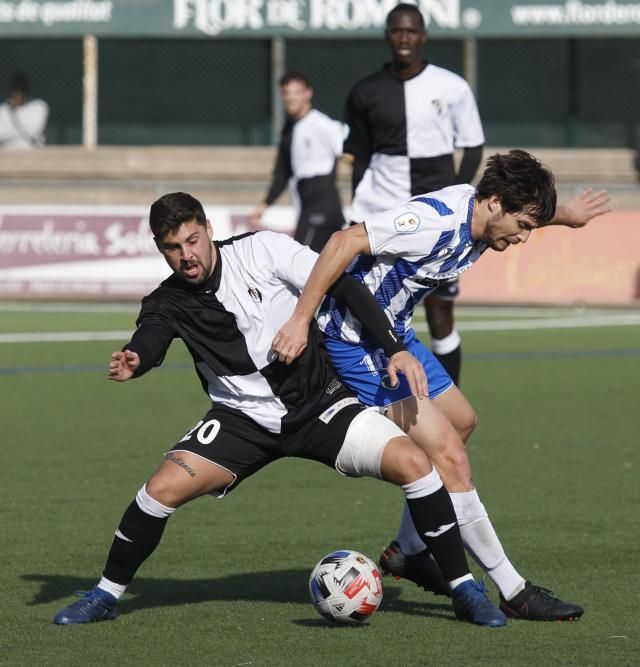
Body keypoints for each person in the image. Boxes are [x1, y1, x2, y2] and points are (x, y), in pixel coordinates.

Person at [51, 192, 508, 627]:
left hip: (322, 406)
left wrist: (394, 348)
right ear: (160, 249)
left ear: (209, 230)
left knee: (416, 463)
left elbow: (343, 283)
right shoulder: (166, 301)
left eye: (192, 240)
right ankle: (106, 595)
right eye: (173, 248)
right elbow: (150, 337)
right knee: (158, 491)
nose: (186, 255)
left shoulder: (262, 249)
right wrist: (137, 357)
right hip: (241, 422)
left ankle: (465, 589)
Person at [272, 150, 610, 621]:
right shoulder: (432, 221)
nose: (525, 237)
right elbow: (342, 242)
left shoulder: (488, 220)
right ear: (493, 203)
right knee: (450, 453)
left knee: (462, 422)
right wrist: (301, 320)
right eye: (524, 225)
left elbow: (518, 215)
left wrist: (564, 216)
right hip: (355, 342)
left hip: (397, 335)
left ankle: (408, 550)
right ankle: (511, 589)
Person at [343, 3, 485, 388]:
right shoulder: (365, 91)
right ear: (388, 35)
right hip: (382, 212)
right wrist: (356, 205)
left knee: (441, 315)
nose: (403, 38)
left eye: (411, 31)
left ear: (422, 36)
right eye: (396, 31)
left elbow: (472, 148)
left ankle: (449, 396)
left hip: (435, 220)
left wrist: (457, 200)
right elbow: (360, 155)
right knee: (364, 308)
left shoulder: (452, 86)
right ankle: (367, 397)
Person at [251, 71, 349, 252]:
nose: (291, 98)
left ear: (307, 93)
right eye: (286, 93)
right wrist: (264, 205)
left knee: (299, 259)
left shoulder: (322, 124)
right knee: (319, 269)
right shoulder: (288, 131)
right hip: (305, 207)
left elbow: (350, 151)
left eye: (296, 92)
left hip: (323, 207)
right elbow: (282, 173)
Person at [0, 72, 48, 149]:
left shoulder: (39, 107)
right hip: (8, 153)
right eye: (15, 92)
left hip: (33, 152)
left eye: (20, 92)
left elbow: (33, 131)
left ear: (25, 93)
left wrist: (9, 128)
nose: (17, 96)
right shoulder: (3, 109)